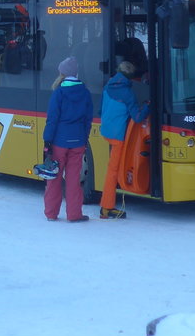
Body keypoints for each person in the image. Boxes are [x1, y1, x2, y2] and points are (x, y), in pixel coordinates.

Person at [41, 56, 95, 222]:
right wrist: (83, 138)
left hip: (59, 142)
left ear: (62, 73)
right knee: (73, 180)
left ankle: (51, 213)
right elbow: (88, 120)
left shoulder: (59, 93)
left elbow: (52, 119)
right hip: (77, 141)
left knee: (54, 179)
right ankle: (74, 214)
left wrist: (47, 141)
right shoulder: (85, 92)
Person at [99, 59, 150, 219]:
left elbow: (101, 110)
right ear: (130, 77)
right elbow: (137, 116)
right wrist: (148, 106)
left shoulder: (107, 86)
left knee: (113, 168)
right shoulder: (128, 93)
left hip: (106, 130)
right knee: (113, 171)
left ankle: (108, 205)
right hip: (118, 136)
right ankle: (106, 208)